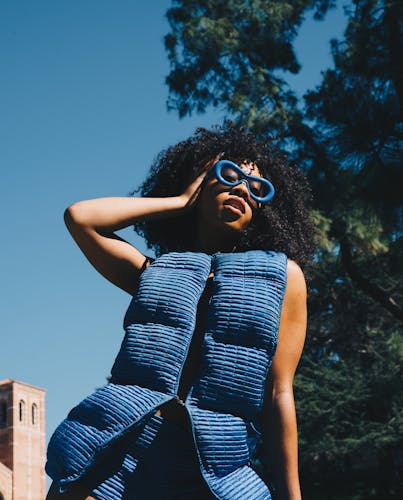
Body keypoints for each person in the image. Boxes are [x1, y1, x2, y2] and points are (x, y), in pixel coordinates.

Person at [46, 122, 315, 500]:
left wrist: (293, 496)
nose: (241, 187)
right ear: (200, 183)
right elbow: (81, 218)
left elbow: (278, 392)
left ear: (261, 208)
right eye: (227, 173)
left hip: (215, 466)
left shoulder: (283, 278)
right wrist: (177, 202)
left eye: (256, 187)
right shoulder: (155, 272)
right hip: (125, 450)